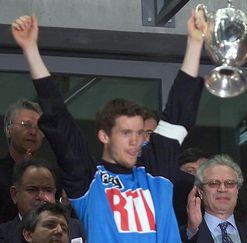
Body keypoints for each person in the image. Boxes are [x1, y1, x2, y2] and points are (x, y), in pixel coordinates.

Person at [12, 11, 204, 242]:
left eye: (139, 133)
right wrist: (31, 50)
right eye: (126, 133)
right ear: (104, 135)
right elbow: (60, 124)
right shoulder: (88, 179)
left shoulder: (156, 170)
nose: (136, 141)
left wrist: (195, 42)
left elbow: (178, 110)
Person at [0, 159, 85, 243]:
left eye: (48, 190)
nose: (41, 197)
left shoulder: (75, 227)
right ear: (15, 194)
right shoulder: (3, 234)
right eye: (32, 189)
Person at [182, 154, 247, 243]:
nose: (222, 189)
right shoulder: (187, 233)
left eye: (229, 183)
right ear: (200, 191)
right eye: (214, 183)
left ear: (237, 190)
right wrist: (193, 230)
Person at [0, 99, 44, 223]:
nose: (33, 132)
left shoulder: (51, 174)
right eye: (26, 125)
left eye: (39, 127)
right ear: (8, 130)